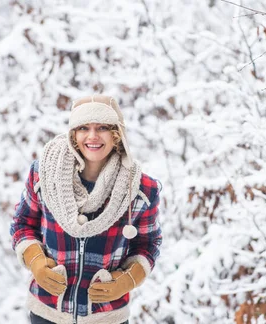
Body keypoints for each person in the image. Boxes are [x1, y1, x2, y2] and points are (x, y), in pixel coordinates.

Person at [10, 95, 163, 324]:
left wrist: (127, 280)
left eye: (102, 127)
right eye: (83, 128)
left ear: (116, 134)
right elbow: (23, 224)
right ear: (74, 134)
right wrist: (36, 262)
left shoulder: (140, 189)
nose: (92, 136)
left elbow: (148, 244)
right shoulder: (44, 174)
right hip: (47, 313)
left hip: (107, 317)